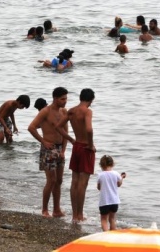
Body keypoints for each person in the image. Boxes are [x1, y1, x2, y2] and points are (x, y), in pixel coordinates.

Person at [27, 88, 69, 218]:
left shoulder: (64, 112)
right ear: (55, 98)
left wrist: (63, 150)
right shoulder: (45, 111)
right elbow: (31, 127)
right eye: (62, 99)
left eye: (66, 98)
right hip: (48, 149)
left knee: (59, 180)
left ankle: (57, 209)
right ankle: (44, 209)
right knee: (51, 180)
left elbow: (65, 132)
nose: (65, 101)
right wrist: (43, 141)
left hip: (60, 147)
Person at [56, 88, 96, 223]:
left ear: (80, 98)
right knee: (82, 183)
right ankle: (80, 215)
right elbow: (89, 129)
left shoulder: (71, 110)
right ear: (90, 100)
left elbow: (58, 127)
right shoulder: (87, 111)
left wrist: (71, 139)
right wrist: (90, 145)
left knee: (74, 182)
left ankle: (74, 216)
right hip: (85, 148)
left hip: (77, 146)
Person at [97, 155, 126, 231]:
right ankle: (112, 234)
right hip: (114, 201)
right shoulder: (116, 174)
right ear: (112, 164)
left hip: (104, 202)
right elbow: (119, 184)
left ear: (101, 165)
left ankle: (106, 235)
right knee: (112, 219)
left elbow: (99, 187)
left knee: (104, 219)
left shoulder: (100, 175)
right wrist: (122, 177)